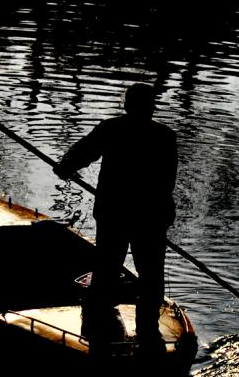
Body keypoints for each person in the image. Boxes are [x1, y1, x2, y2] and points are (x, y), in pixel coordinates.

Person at [56, 83, 178, 353]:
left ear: (127, 105)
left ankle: (99, 330)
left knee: (107, 270)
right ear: (151, 106)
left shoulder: (111, 129)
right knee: (151, 275)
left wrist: (65, 167)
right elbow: (168, 181)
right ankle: (148, 331)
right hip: (151, 217)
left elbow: (82, 153)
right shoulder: (165, 136)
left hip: (115, 214)